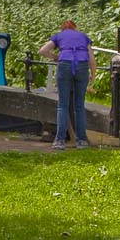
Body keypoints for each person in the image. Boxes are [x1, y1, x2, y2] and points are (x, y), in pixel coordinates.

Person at [38, 20, 97, 150]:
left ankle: (59, 141)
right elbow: (92, 60)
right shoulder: (83, 37)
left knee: (63, 105)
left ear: (63, 29)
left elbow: (42, 51)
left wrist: (56, 57)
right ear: (75, 28)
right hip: (82, 66)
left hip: (65, 64)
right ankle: (81, 140)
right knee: (79, 106)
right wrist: (93, 75)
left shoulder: (59, 36)